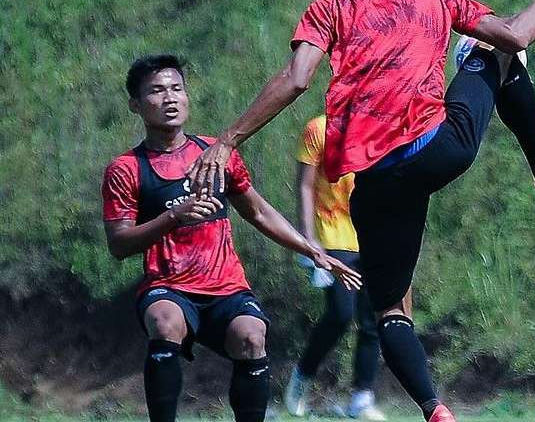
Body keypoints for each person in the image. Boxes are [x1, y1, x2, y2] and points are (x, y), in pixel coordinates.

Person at [186, 0, 535, 422]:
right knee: (490, 53)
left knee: (388, 311)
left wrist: (228, 140)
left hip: (376, 183)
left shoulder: (331, 5)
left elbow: (295, 80)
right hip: (438, 148)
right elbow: (517, 34)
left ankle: (433, 409)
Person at [102, 55, 361, 422]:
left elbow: (257, 212)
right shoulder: (126, 169)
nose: (170, 98)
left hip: (225, 286)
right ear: (136, 105)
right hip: (168, 286)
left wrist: (314, 250)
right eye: (157, 91)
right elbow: (119, 244)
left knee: (252, 335)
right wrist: (172, 217)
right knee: (164, 322)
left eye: (177, 88)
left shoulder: (216, 155)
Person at [284, 115, 387, 420]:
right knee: (341, 313)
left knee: (372, 319)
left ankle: (362, 397)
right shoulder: (319, 129)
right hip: (332, 235)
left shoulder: (381, 125)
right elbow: (305, 185)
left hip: (372, 236)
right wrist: (307, 239)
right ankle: (302, 376)